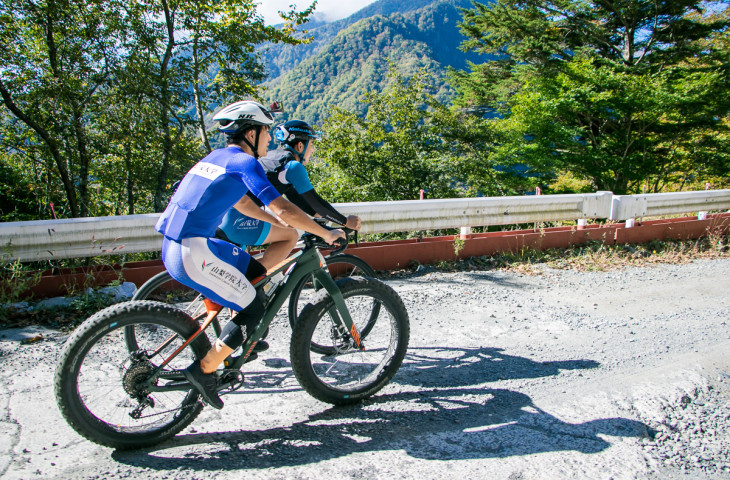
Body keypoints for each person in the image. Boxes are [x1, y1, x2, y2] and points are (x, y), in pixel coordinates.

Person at [155, 100, 344, 410]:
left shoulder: (218, 158)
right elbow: (281, 205)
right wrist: (325, 232)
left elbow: (244, 204)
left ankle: (231, 327)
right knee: (254, 309)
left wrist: (282, 224)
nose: (269, 138)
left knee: (255, 275)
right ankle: (204, 370)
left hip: (180, 245)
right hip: (194, 252)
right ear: (251, 132)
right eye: (266, 131)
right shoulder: (245, 163)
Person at [217, 119, 360, 269]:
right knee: (290, 235)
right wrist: (345, 221)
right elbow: (316, 202)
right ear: (300, 146)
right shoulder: (293, 167)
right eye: (311, 145)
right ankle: (253, 279)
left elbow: (308, 206)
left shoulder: (274, 160)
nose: (312, 150)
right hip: (237, 219)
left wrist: (325, 223)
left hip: (224, 217)